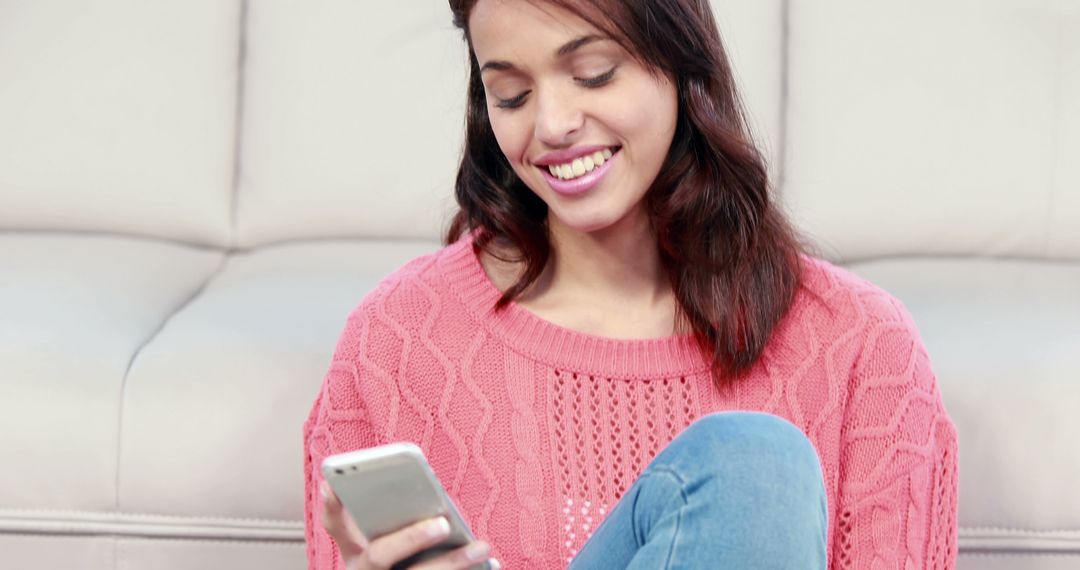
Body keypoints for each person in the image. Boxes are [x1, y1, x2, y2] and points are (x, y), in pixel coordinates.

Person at [304, 0, 959, 568]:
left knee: (755, 467)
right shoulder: (398, 335)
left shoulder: (862, 345)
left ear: (678, 57)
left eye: (593, 73)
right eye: (511, 94)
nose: (551, 124)